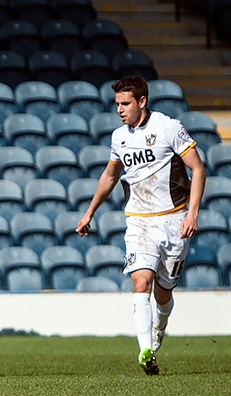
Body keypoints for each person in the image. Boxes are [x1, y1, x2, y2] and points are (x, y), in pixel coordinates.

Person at [76, 75, 206, 375]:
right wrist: (89, 212)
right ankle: (145, 351)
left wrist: (192, 214)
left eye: (125, 103)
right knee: (141, 282)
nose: (120, 110)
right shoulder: (119, 137)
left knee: (163, 292)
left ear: (142, 101)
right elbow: (110, 176)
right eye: (117, 104)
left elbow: (198, 169)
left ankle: (159, 326)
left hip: (174, 220)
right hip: (138, 222)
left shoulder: (168, 127)